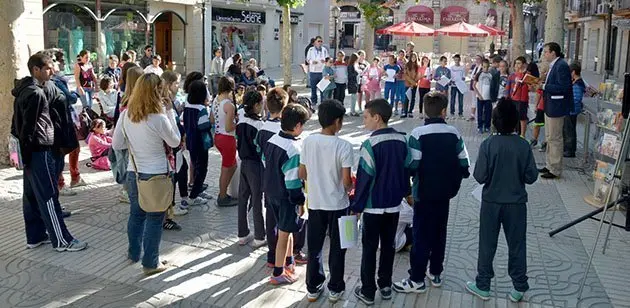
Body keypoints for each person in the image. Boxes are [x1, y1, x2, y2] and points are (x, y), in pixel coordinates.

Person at [393, 91, 470, 294]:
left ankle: (416, 279)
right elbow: (465, 163)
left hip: (423, 193)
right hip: (445, 193)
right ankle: (435, 272)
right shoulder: (454, 132)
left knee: (421, 234)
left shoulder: (418, 134)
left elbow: (412, 164)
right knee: (439, 232)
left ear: (425, 111)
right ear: (444, 111)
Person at [12, 53, 88, 252]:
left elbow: (18, 126)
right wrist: (27, 155)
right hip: (40, 150)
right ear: (36, 69)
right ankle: (63, 240)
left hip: (33, 151)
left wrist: (23, 155)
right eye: (47, 68)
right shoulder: (36, 93)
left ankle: (35, 236)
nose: (52, 70)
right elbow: (28, 128)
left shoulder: (26, 89)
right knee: (47, 195)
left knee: (31, 196)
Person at [466, 98, 538, 303]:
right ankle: (518, 286)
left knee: (487, 243)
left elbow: (479, 176)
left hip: (491, 202)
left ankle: (483, 285)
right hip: (516, 203)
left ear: (495, 121)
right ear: (516, 121)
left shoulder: (488, 144)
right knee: (517, 244)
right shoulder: (523, 145)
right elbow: (531, 177)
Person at [112, 73, 180, 275]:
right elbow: (175, 141)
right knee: (154, 218)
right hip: (156, 175)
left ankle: (134, 253)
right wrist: (169, 114)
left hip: (134, 172)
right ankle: (150, 262)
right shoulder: (158, 118)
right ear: (156, 92)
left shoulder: (126, 115)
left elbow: (117, 144)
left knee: (136, 214)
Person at [352, 98, 415, 306]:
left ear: (377, 118)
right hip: (394, 205)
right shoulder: (402, 140)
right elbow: (406, 171)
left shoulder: (370, 144)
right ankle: (386, 285)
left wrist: (357, 206)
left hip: (373, 207)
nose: (364, 121)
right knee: (387, 246)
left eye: (366, 117)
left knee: (369, 248)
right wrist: (407, 194)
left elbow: (364, 178)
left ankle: (368, 291)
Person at [299, 99, 353, 303]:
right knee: (338, 248)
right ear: (337, 122)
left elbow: (302, 172)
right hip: (338, 205)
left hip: (314, 203)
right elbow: (347, 182)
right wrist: (348, 188)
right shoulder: (344, 146)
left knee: (314, 247)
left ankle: (313, 287)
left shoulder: (308, 141)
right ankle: (335, 288)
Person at [264, 103, 310, 285]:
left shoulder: (272, 139)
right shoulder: (294, 150)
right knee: (284, 233)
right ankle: (277, 272)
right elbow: (292, 181)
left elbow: (264, 160)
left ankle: (289, 263)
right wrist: (300, 201)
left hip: (270, 191)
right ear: (298, 126)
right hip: (286, 197)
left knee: (287, 229)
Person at [256, 87, 289, 267]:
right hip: (283, 181)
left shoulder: (262, 129)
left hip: (266, 176)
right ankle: (286, 257)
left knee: (270, 216)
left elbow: (258, 150)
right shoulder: (283, 131)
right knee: (285, 221)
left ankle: (271, 254)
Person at [48, 49, 85, 198]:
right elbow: (69, 98)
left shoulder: (59, 80)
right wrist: (75, 94)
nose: (63, 63)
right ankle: (61, 183)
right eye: (60, 60)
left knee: (74, 147)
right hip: (60, 120)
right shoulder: (55, 81)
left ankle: (74, 177)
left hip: (66, 117)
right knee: (62, 152)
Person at [236, 91, 266, 247]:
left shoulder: (241, 121)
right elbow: (261, 148)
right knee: (256, 199)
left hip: (243, 162)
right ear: (256, 105)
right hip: (256, 164)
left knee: (243, 198)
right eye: (261, 103)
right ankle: (260, 235)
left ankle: (242, 233)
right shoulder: (260, 125)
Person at [539, 42, 573, 179]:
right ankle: (549, 164)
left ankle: (555, 169)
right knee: (549, 137)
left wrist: (544, 86)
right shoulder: (554, 65)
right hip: (550, 105)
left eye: (546, 51)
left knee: (555, 138)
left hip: (557, 106)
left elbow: (563, 87)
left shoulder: (561, 66)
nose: (544, 54)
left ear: (553, 52)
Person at [161, 70, 189, 220]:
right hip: (171, 144)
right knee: (175, 173)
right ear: (169, 84)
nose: (179, 86)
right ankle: (170, 206)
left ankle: (180, 199)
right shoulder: (165, 102)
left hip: (175, 142)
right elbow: (172, 123)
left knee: (181, 168)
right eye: (176, 83)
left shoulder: (170, 99)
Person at [183, 79, 215, 206]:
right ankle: (194, 195)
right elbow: (204, 126)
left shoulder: (187, 107)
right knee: (202, 169)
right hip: (201, 143)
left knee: (195, 165)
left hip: (190, 141)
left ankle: (197, 189)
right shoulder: (201, 109)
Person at [211, 77, 239, 206]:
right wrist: (238, 122)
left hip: (217, 136)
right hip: (227, 138)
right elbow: (229, 128)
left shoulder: (216, 100)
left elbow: (212, 119)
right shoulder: (229, 105)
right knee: (227, 168)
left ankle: (223, 193)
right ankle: (222, 196)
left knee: (231, 165)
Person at [563, 63, 585, 158]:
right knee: (568, 129)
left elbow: (576, 98)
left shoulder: (578, 84)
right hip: (571, 109)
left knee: (569, 130)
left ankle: (569, 150)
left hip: (571, 110)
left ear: (574, 72)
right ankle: (568, 149)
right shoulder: (575, 82)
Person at [506, 56, 530, 137]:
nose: (517, 65)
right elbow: (508, 88)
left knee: (522, 117)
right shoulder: (512, 75)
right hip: (513, 98)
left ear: (523, 64)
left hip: (523, 99)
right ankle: (513, 131)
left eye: (519, 63)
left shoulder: (527, 74)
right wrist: (507, 98)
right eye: (516, 63)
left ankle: (522, 134)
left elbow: (530, 87)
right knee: (513, 116)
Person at [306, 36, 330, 106]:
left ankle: (323, 101)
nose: (320, 43)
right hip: (313, 71)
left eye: (321, 41)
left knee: (323, 88)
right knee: (313, 88)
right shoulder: (311, 50)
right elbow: (307, 59)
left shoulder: (324, 50)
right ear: (315, 42)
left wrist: (325, 61)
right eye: (318, 41)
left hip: (323, 71)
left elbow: (328, 59)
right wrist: (312, 62)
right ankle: (314, 101)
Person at [474, 59, 493, 134]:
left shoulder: (490, 75)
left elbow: (491, 86)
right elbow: (474, 85)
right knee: (480, 112)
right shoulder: (479, 74)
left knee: (488, 112)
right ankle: (480, 126)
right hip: (480, 97)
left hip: (488, 98)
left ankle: (487, 126)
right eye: (484, 67)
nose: (486, 68)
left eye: (487, 67)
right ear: (482, 66)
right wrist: (479, 95)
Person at [402, 52, 420, 118]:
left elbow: (418, 76)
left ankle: (410, 111)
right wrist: (411, 83)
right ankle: (405, 112)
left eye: (415, 57)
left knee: (412, 98)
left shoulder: (418, 66)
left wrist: (413, 83)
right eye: (412, 57)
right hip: (407, 84)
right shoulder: (407, 65)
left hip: (414, 84)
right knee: (406, 98)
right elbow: (405, 74)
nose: (413, 58)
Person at [449, 54, 466, 119]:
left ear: (459, 60)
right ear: (454, 60)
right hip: (454, 86)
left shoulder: (462, 68)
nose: (456, 61)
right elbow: (450, 77)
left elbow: (464, 76)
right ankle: (452, 112)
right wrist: (452, 81)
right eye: (455, 60)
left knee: (460, 100)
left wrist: (462, 79)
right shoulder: (451, 68)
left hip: (460, 86)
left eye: (458, 60)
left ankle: (460, 113)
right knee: (453, 99)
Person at [469, 55, 484, 121]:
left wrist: (476, 76)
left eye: (478, 59)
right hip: (473, 85)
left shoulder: (482, 67)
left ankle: (480, 115)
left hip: (479, 85)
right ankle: (472, 115)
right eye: (476, 59)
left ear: (481, 59)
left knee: (480, 100)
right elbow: (469, 74)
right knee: (473, 100)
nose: (477, 60)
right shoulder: (473, 66)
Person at [395, 50, 407, 116]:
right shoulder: (396, 62)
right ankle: (396, 109)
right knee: (397, 96)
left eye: (403, 54)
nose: (401, 55)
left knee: (403, 96)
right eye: (400, 54)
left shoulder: (406, 62)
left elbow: (407, 70)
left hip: (404, 80)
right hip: (397, 80)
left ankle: (403, 109)